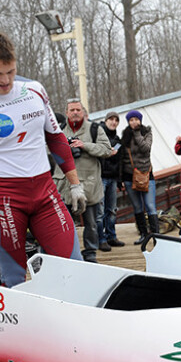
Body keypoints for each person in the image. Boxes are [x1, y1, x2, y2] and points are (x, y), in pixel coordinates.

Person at [0, 32, 85, 287]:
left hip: (45, 193)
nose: (6, 80)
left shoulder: (33, 90)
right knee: (14, 279)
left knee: (74, 266)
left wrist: (75, 183)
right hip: (5, 200)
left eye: (10, 71)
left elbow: (55, 137)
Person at [54, 99, 112, 263]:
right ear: (66, 113)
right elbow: (47, 152)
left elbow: (107, 150)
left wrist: (84, 145)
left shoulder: (94, 129)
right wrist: (64, 148)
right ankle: (70, 253)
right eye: (71, 110)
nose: (75, 113)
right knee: (64, 224)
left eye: (78, 109)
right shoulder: (57, 130)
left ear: (83, 112)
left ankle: (90, 252)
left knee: (91, 223)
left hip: (89, 184)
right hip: (63, 184)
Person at [121, 110, 159, 245]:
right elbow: (122, 157)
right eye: (131, 120)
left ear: (140, 120)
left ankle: (156, 236)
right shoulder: (125, 135)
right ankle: (143, 233)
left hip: (146, 175)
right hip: (129, 176)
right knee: (137, 207)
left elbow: (145, 148)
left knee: (150, 206)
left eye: (136, 119)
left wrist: (137, 133)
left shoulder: (147, 132)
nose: (134, 122)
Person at [97, 111, 125, 250]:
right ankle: (101, 239)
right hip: (101, 177)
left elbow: (119, 161)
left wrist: (120, 180)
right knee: (100, 211)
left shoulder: (118, 139)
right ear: (106, 120)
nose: (113, 122)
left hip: (113, 178)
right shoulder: (99, 135)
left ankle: (111, 236)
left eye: (116, 120)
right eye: (111, 120)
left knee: (112, 209)